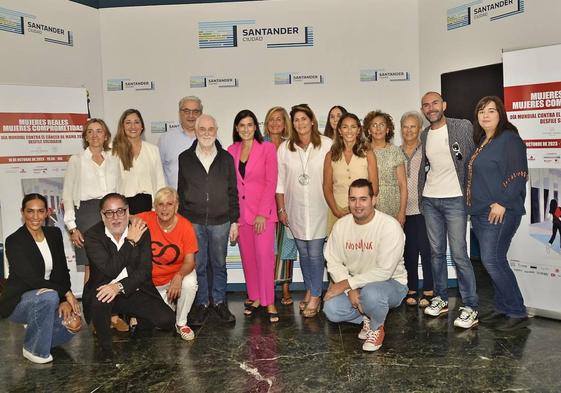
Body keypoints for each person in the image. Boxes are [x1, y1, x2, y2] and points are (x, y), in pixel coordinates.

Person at [83, 193, 175, 356]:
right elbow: (110, 270)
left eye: (120, 211)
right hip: (104, 290)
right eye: (109, 213)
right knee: (100, 301)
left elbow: (144, 270)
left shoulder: (140, 229)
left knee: (167, 320)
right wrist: (130, 242)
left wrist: (119, 286)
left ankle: (134, 318)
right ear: (102, 216)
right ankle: (105, 349)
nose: (115, 217)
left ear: (127, 211)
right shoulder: (92, 236)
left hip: (133, 288)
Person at [466, 96, 529, 331]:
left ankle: (516, 310)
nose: (485, 115)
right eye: (481, 111)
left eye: (491, 111)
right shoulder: (484, 141)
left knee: (492, 261)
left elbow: (520, 173)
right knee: (492, 260)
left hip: (501, 211)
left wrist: (502, 202)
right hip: (482, 212)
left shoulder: (509, 139)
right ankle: (503, 308)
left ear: (501, 114)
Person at [323, 179, 407, 352]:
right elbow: (333, 260)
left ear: (373, 200)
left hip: (392, 284)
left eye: (363, 199)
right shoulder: (341, 226)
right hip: (358, 285)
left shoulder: (389, 226)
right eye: (353, 199)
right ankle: (368, 317)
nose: (357, 205)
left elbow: (384, 272)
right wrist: (350, 290)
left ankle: (377, 328)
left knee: (371, 294)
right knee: (331, 309)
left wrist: (348, 284)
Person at [419, 91, 479, 329]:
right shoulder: (424, 135)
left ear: (443, 104)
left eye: (435, 103)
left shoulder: (461, 127)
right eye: (426, 105)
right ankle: (441, 298)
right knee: (436, 253)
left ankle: (471, 306)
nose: (431, 108)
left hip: (455, 200)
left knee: (459, 254)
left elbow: (473, 158)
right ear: (423, 110)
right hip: (431, 200)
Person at [0, 194, 81, 363]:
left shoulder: (54, 233)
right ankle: (34, 350)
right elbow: (32, 279)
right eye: (30, 211)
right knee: (48, 296)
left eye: (40, 211)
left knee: (74, 324)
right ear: (22, 212)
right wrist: (65, 293)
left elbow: (61, 270)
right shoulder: (14, 241)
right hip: (19, 301)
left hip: (50, 296)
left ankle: (36, 333)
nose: (35, 217)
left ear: (47, 212)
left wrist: (63, 300)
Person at [177, 114, 239, 325]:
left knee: (219, 264)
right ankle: (202, 303)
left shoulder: (227, 158)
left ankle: (220, 302)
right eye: (202, 129)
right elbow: (181, 191)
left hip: (221, 221)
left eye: (210, 129)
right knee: (199, 264)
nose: (206, 133)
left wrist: (235, 221)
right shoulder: (184, 158)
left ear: (216, 130)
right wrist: (182, 223)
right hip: (193, 221)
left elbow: (233, 192)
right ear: (195, 131)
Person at [276, 104, 332, 318]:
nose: (300, 124)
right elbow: (280, 182)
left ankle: (316, 295)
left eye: (303, 119)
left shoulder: (327, 144)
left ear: (312, 121)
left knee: (316, 254)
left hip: (320, 207)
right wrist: (281, 208)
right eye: (296, 120)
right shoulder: (285, 148)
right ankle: (311, 289)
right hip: (295, 209)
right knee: (304, 254)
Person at [228, 110, 279, 323]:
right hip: (241, 216)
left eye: (250, 125)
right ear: (236, 129)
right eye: (242, 125)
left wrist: (261, 214)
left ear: (255, 127)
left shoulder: (267, 148)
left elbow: (271, 182)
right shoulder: (231, 150)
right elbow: (231, 185)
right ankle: (256, 298)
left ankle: (270, 301)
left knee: (264, 258)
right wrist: (234, 218)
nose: (246, 129)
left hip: (263, 215)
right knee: (248, 260)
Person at [62, 119, 121, 286]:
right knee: (91, 265)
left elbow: (120, 189)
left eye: (99, 131)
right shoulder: (76, 160)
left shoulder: (114, 159)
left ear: (106, 136)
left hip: (112, 213)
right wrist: (72, 227)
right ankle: (91, 309)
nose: (95, 135)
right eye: (90, 131)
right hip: (86, 215)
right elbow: (67, 195)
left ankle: (112, 311)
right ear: (85, 137)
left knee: (114, 262)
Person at [136, 187, 199, 340]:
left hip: (175, 277)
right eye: (160, 204)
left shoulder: (185, 226)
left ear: (176, 206)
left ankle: (181, 322)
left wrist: (178, 276)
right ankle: (167, 304)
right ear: (155, 207)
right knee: (159, 323)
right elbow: (123, 218)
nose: (164, 209)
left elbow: (190, 261)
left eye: (169, 204)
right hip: (152, 282)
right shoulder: (146, 218)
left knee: (190, 283)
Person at [263, 106, 298, 306]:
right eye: (271, 119)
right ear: (266, 124)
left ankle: (285, 287)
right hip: (264, 204)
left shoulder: (290, 146)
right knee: (267, 247)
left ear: (285, 123)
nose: (275, 123)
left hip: (287, 202)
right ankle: (265, 288)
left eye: (279, 119)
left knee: (287, 245)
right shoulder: (259, 145)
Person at [323, 113, 378, 233]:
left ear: (359, 130)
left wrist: (361, 207)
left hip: (363, 211)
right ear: (339, 131)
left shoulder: (368, 154)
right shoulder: (330, 155)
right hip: (337, 211)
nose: (349, 131)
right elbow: (327, 187)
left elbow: (374, 187)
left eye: (353, 127)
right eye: (345, 127)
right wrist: (336, 210)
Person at [400, 111, 433, 307]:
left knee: (427, 250)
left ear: (420, 129)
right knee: (408, 251)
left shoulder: (427, 150)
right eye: (406, 126)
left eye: (413, 126)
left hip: (424, 209)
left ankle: (429, 288)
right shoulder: (396, 151)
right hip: (403, 210)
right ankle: (411, 288)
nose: (409, 130)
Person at [112, 108, 166, 214]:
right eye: (128, 123)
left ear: (142, 126)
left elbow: (160, 182)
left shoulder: (153, 150)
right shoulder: (113, 150)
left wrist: (159, 206)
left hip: (149, 207)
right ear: (122, 126)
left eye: (136, 122)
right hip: (122, 208)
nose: (133, 126)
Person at [364, 110, 407, 225]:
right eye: (374, 125)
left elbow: (403, 184)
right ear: (369, 130)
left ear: (387, 129)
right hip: (368, 205)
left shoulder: (395, 151)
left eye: (382, 125)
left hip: (393, 205)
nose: (378, 128)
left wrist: (402, 212)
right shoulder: (362, 151)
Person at [159, 96, 203, 189]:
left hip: (204, 201)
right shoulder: (166, 139)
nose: (191, 115)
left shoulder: (211, 139)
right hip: (174, 200)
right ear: (179, 113)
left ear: (201, 114)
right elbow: (158, 171)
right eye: (186, 111)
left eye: (195, 111)